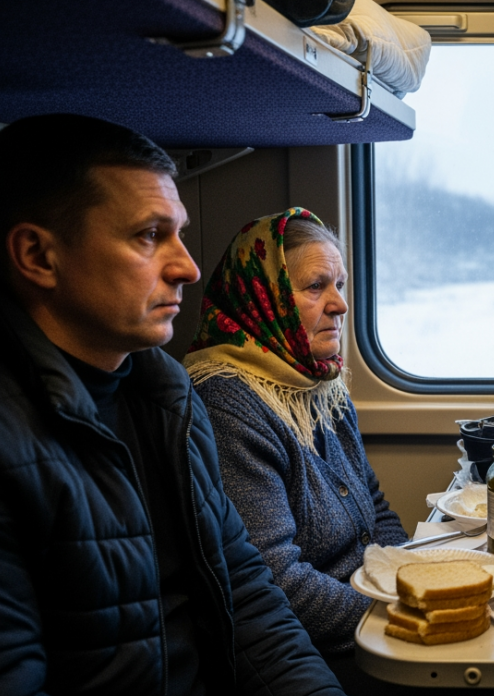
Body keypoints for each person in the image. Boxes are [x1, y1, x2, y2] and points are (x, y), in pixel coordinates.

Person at [0, 114, 344, 694]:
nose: (188, 268)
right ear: (38, 256)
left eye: (179, 233)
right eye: (149, 235)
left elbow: (250, 605)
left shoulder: (168, 398)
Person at [183, 208, 408, 689]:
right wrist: (398, 619)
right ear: (264, 299)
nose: (340, 305)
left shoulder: (321, 381)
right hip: (319, 648)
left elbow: (378, 511)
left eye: (340, 285)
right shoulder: (227, 404)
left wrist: (412, 580)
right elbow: (279, 581)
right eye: (315, 287)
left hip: (371, 613)